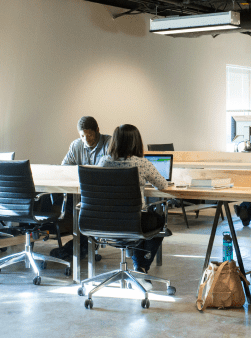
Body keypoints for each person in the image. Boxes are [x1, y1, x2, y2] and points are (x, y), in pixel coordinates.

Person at [98, 124, 169, 286]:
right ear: (136, 142)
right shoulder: (142, 163)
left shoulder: (103, 162)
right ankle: (140, 268)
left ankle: (139, 269)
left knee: (143, 220)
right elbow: (163, 185)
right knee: (157, 220)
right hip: (133, 221)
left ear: (114, 142)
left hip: (105, 222)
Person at [50, 116, 112, 260]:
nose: (86, 139)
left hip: (102, 195)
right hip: (80, 192)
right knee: (57, 201)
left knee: (84, 210)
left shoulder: (109, 143)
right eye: (83, 136)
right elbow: (65, 168)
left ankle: (79, 246)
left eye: (90, 135)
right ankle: (81, 244)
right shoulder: (76, 145)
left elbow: (111, 170)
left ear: (97, 131)